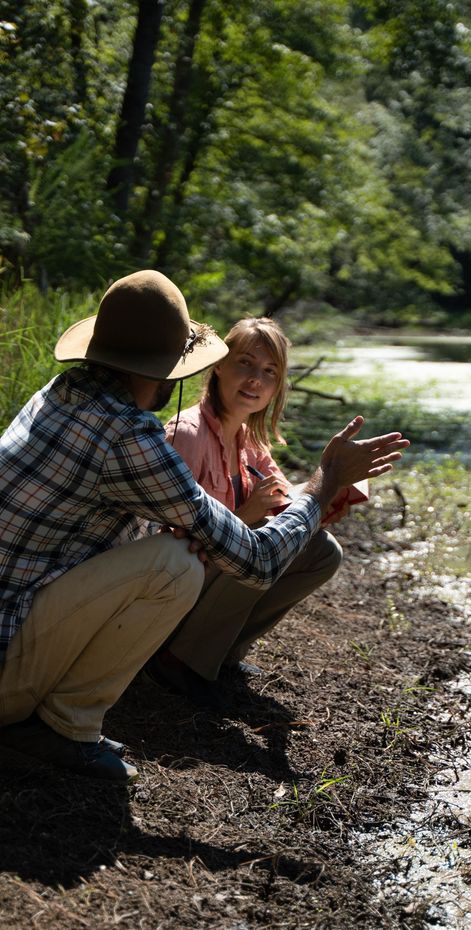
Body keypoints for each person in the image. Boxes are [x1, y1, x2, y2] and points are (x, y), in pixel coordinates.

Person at [0, 270, 409, 783]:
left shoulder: (61, 391)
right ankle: (64, 726)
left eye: (269, 372)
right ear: (175, 371)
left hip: (18, 612)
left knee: (195, 554)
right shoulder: (133, 436)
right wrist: (326, 480)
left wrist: (305, 501)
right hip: (8, 662)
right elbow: (256, 562)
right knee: (174, 565)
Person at [144, 319, 351, 702]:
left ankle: (221, 653)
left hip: (213, 577)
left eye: (269, 371)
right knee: (257, 544)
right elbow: (168, 545)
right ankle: (176, 660)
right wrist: (248, 513)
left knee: (322, 550)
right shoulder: (185, 433)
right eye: (245, 363)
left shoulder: (249, 439)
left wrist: (325, 501)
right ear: (218, 365)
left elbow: (285, 503)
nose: (256, 380)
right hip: (172, 590)